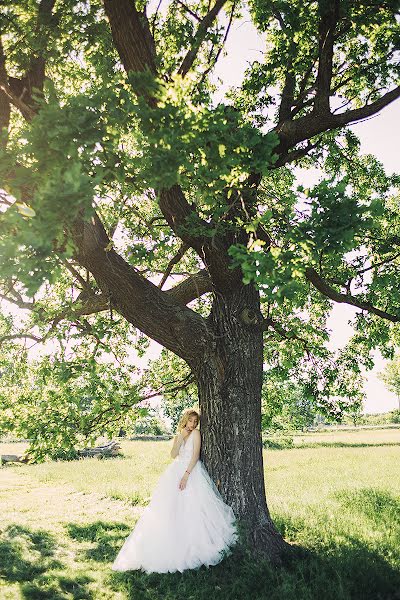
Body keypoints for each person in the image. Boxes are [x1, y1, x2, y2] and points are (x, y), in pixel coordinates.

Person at [112, 408, 239, 573]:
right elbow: (173, 455)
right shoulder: (180, 435)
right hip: (175, 471)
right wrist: (180, 438)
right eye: (190, 421)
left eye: (195, 422)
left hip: (191, 472)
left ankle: (197, 543)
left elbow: (195, 456)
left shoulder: (196, 434)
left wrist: (186, 475)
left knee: (194, 506)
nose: (193, 424)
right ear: (185, 420)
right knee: (171, 508)